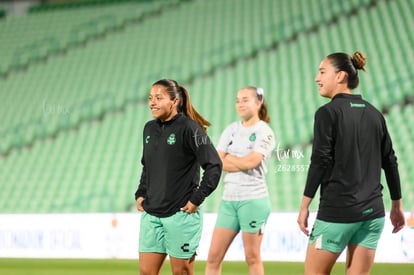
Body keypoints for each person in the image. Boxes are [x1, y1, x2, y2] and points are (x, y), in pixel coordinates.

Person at [297, 52, 406, 275]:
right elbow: (390, 161)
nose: (317, 78)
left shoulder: (327, 113)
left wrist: (304, 206)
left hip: (338, 212)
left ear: (341, 76)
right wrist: (397, 206)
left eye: (322, 72)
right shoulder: (375, 114)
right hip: (373, 215)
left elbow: (320, 160)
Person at [135, 79, 222, 275]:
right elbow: (147, 166)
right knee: (146, 272)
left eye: (159, 98)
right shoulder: (149, 128)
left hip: (181, 214)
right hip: (151, 213)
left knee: (181, 272)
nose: (152, 103)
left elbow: (214, 165)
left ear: (174, 101)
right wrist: (141, 192)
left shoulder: (191, 128)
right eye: (150, 98)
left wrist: (196, 198)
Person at [205, 86, 275, 275]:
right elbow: (216, 161)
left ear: (258, 103)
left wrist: (228, 160)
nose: (240, 104)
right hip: (228, 201)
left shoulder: (265, 131)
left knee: (252, 258)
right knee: (213, 257)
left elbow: (253, 161)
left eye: (245, 99)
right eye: (237, 100)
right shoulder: (231, 130)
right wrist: (240, 162)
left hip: (253, 200)